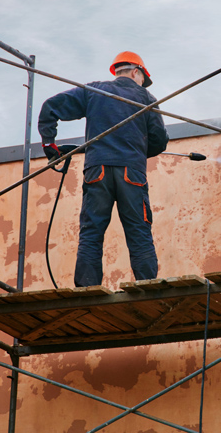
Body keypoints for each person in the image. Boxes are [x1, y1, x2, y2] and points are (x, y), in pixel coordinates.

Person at [38, 51, 169, 287]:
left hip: (96, 171)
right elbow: (160, 141)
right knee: (139, 232)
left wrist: (49, 145)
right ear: (136, 72)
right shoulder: (146, 98)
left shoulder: (94, 91)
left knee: (91, 233)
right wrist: (136, 149)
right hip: (132, 173)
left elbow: (50, 107)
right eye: (142, 78)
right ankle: (148, 287)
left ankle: (87, 289)